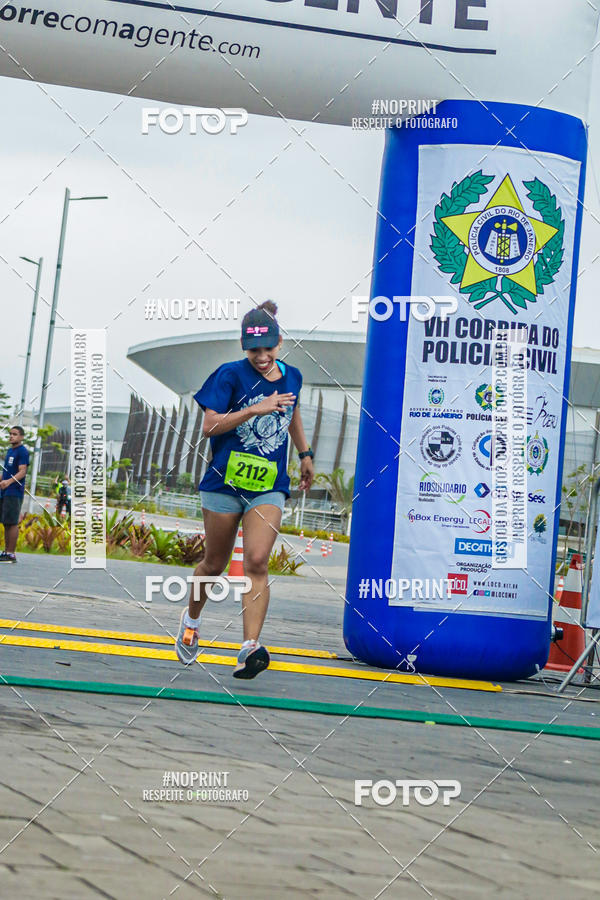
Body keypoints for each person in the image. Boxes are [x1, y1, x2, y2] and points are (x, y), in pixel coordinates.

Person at [176, 301, 314, 678]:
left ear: (280, 343)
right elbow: (209, 427)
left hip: (267, 486)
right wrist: (254, 410)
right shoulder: (228, 375)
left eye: (268, 348)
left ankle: (249, 647)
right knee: (214, 563)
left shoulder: (293, 377)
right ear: (244, 347)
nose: (262, 356)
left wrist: (305, 453)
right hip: (224, 483)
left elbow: (292, 411)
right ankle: (191, 621)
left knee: (256, 561)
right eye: (254, 350)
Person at [0, 426, 30, 563]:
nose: (12, 436)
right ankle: (6, 552)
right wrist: (3, 480)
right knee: (6, 522)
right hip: (5, 491)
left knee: (12, 522)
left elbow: (22, 471)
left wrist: (9, 482)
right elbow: (7, 473)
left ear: (21, 437)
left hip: (14, 491)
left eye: (15, 434)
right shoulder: (10, 451)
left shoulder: (22, 452)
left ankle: (11, 554)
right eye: (10, 434)